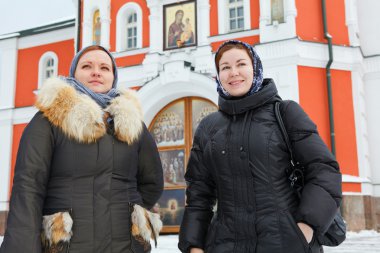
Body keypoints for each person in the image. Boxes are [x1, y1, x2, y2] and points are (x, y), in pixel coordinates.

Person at [178, 40, 342, 253]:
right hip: (225, 244)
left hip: (285, 244)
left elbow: (323, 170)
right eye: (225, 68)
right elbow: (199, 193)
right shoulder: (208, 128)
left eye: (241, 64)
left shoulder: (285, 113)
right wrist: (194, 245)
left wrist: (305, 228)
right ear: (218, 76)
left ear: (255, 68)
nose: (233, 72)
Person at [0, 45, 164, 253]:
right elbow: (29, 186)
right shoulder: (50, 120)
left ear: (113, 77)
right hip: (66, 246)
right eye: (87, 66)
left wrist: (130, 208)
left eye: (105, 68)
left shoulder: (132, 125)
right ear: (74, 74)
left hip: (124, 246)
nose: (96, 71)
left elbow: (152, 182)